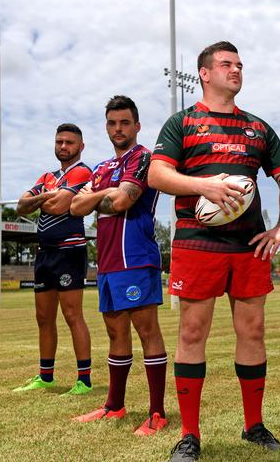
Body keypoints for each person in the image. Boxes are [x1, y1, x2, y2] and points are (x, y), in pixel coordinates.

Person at [148, 41, 280, 461]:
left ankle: (254, 425)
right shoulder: (182, 123)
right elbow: (157, 173)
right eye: (226, 64)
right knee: (192, 333)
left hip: (249, 246)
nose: (236, 70)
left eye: (239, 64)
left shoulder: (258, 128)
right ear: (204, 73)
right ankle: (189, 434)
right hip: (198, 244)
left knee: (252, 332)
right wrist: (205, 186)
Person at [69, 95, 168, 436]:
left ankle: (158, 412)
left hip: (136, 259)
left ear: (136, 126)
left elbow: (123, 200)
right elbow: (76, 207)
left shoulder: (144, 158)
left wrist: (100, 196)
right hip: (107, 263)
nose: (118, 129)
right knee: (115, 333)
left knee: (147, 331)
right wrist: (103, 194)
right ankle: (114, 404)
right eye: (112, 123)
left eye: (124, 122)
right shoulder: (100, 168)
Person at [13, 123, 93, 396]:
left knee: (72, 315)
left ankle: (84, 380)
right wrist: (49, 196)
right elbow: (20, 207)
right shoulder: (47, 175)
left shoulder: (82, 171)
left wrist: (40, 199)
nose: (63, 146)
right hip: (44, 253)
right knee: (43, 317)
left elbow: (60, 206)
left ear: (80, 147)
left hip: (69, 251)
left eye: (69, 142)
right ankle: (45, 376)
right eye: (59, 141)